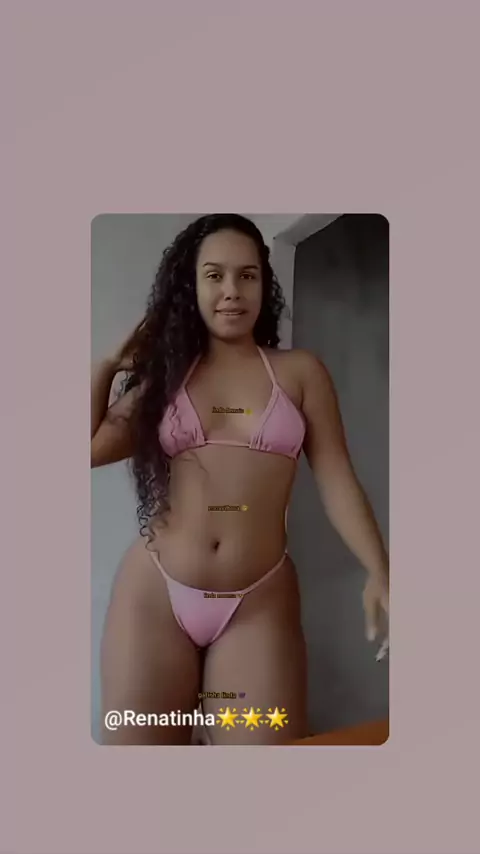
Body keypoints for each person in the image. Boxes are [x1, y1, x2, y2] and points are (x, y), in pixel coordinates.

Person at [91, 213, 389, 746]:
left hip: (258, 601)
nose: (232, 290)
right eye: (215, 275)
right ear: (192, 286)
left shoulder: (300, 372)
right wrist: (109, 365)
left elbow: (337, 478)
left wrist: (380, 568)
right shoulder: (166, 378)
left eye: (247, 275)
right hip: (155, 596)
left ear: (263, 284)